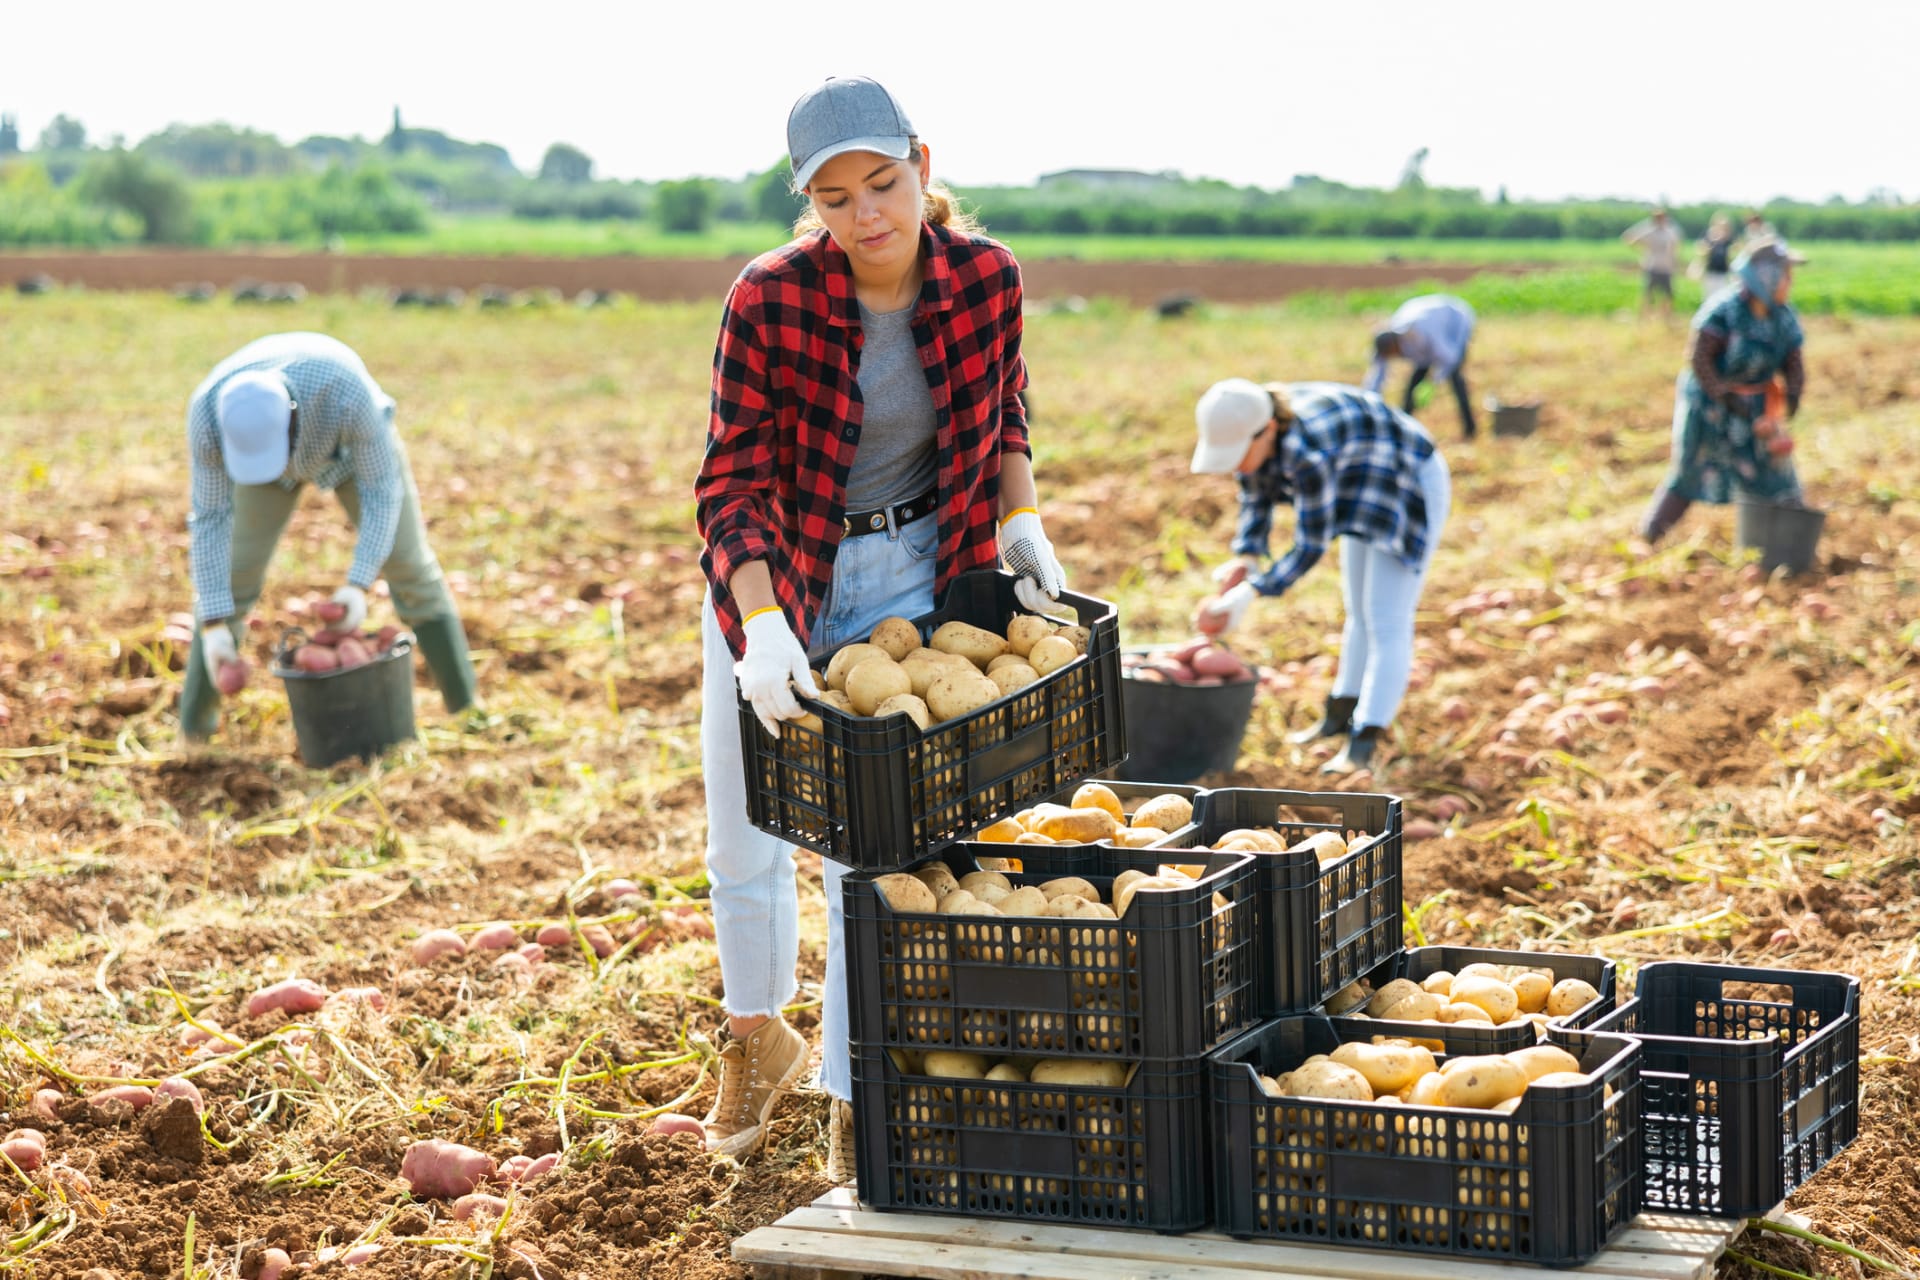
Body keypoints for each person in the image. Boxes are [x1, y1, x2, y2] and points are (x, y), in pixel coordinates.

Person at [693, 76, 1063, 1181]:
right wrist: (761, 629)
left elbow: (1003, 407)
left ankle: (862, 1087)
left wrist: (1025, 517)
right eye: (837, 195)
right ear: (810, 202)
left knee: (879, 843)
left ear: (923, 167)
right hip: (783, 571)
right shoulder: (769, 297)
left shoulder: (985, 276)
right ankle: (759, 1040)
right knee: (745, 829)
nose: (867, 214)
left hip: (916, 571)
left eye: (884, 183)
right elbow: (731, 483)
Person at [182, 332, 478, 740]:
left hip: (348, 455)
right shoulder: (207, 416)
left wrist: (358, 583)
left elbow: (380, 494)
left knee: (410, 567)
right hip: (253, 470)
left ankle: (468, 714)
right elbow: (211, 517)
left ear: (292, 417)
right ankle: (194, 737)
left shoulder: (347, 393)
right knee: (231, 581)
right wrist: (212, 623)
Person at [1191, 378, 1450, 776]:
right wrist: (1246, 558)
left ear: (1269, 430)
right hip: (1358, 476)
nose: (1237, 464)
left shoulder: (1307, 454)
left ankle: (1364, 740)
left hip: (1404, 479)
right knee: (1358, 613)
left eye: (1240, 453)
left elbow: (1310, 546)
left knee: (1386, 618)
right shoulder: (1256, 429)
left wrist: (1252, 591)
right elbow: (1255, 497)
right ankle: (1338, 716)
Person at [1638, 240, 1808, 544]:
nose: (1790, 282)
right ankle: (1651, 534)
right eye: (1786, 275)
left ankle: (1786, 542)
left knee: (1775, 475)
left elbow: (1793, 360)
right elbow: (1699, 358)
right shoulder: (1723, 311)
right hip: (1710, 407)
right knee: (1691, 470)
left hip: (1756, 408)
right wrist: (1723, 394)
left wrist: (1793, 392)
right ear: (1766, 277)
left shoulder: (1783, 316)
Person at [1363, 294, 1478, 439]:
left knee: (1455, 379)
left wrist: (1433, 381)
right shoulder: (1389, 341)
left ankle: (1470, 429)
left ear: (1395, 344)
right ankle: (1403, 427)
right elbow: (1377, 375)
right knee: (1413, 386)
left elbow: (1450, 359)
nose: (1394, 357)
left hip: (1456, 323)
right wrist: (1368, 402)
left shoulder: (1424, 333)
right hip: (1429, 334)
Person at [1622, 207, 1684, 321]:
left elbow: (1675, 247)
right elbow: (1628, 237)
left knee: (1668, 295)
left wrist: (1675, 261)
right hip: (1653, 267)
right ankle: (1645, 318)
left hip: (1666, 268)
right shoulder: (1649, 231)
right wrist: (1643, 251)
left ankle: (1666, 317)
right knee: (1648, 294)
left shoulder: (1670, 231)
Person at [1694, 213, 1737, 299]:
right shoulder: (1708, 236)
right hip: (1710, 271)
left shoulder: (1728, 239)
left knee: (1721, 297)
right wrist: (1710, 246)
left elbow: (1735, 251)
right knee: (1708, 297)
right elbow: (1700, 250)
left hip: (1723, 272)